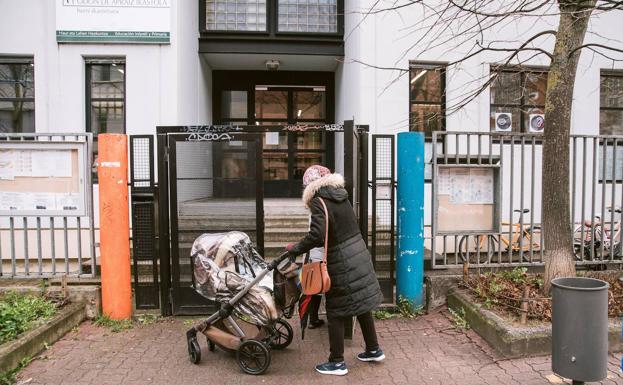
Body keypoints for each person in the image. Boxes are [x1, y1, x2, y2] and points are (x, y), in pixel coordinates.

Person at [286, 165, 385, 376]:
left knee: (336, 311)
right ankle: (374, 349)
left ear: (310, 186)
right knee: (362, 305)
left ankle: (337, 362)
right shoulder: (341, 195)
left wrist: (295, 248)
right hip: (358, 254)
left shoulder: (318, 200)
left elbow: (317, 235)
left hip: (341, 260)